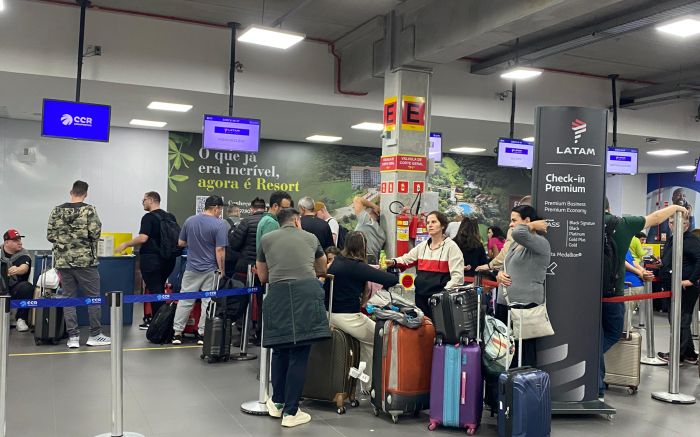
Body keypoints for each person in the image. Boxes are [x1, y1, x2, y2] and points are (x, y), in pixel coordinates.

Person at [600, 198, 688, 398]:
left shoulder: (584, 223)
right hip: (613, 292)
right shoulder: (622, 223)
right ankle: (594, 363)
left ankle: (595, 375)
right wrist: (675, 207)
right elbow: (655, 218)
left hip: (587, 292)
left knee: (593, 334)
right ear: (609, 207)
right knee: (613, 333)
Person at [257, 208, 331, 427]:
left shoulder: (267, 239)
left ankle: (278, 402)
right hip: (305, 294)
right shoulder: (310, 237)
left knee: (280, 349)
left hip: (277, 294)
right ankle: (291, 412)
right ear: (297, 221)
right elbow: (322, 267)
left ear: (279, 222)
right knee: (299, 351)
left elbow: (262, 275)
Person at [325, 231, 399, 387]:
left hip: (330, 314)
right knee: (384, 336)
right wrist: (391, 267)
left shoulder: (338, 261)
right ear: (363, 247)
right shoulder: (356, 266)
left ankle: (365, 382)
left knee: (368, 343)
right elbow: (391, 280)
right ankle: (384, 384)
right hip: (347, 317)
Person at [46, 180, 111, 348]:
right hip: (85, 262)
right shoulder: (89, 210)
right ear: (86, 193)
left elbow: (50, 236)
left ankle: (73, 337)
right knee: (93, 298)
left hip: (63, 261)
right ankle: (95, 334)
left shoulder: (57, 210)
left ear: (71, 191)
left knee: (68, 298)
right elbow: (95, 233)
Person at [495, 205, 550, 367]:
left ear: (526, 221)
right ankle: (507, 390)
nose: (510, 224)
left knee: (524, 356)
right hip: (505, 306)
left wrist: (532, 226)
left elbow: (519, 232)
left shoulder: (540, 244)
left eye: (514, 220)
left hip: (525, 308)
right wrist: (499, 275)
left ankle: (525, 390)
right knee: (506, 354)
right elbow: (506, 265)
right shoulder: (514, 245)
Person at [115, 191, 178, 328]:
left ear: (150, 200)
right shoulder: (170, 216)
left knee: (155, 291)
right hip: (169, 260)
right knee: (160, 289)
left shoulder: (148, 218)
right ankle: (163, 321)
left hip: (151, 260)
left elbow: (143, 238)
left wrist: (125, 244)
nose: (142, 203)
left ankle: (158, 324)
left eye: (143, 200)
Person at [171, 195, 228, 345]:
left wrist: (195, 243)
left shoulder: (190, 220)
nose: (220, 212)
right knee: (207, 301)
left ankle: (177, 333)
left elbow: (181, 242)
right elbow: (220, 250)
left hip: (191, 268)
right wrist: (222, 270)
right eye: (220, 209)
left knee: (185, 300)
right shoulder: (220, 225)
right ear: (216, 208)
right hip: (210, 269)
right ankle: (202, 334)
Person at [386, 211, 464, 319]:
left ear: (442, 226)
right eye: (428, 223)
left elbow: (458, 277)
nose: (430, 225)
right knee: (424, 328)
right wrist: (393, 261)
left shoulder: (452, 247)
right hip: (420, 296)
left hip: (439, 299)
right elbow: (407, 258)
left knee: (439, 329)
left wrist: (444, 294)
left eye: (433, 222)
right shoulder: (422, 246)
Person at [658, 214, 700, 365]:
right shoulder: (673, 239)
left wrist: (691, 280)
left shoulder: (691, 240)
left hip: (686, 289)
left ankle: (677, 355)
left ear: (686, 225)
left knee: (681, 321)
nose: (672, 225)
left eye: (676, 222)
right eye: (670, 222)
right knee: (678, 320)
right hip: (672, 287)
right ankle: (689, 354)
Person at [475, 195, 532, 274]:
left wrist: (489, 266)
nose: (511, 225)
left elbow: (506, 253)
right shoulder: (540, 236)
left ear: (526, 219)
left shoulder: (513, 231)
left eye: (514, 220)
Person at [0, 230, 34, 332]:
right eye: (15, 240)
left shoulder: (23, 253)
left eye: (19, 239)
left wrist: (17, 270)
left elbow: (25, 268)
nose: (20, 242)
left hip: (14, 288)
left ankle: (21, 319)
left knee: (27, 287)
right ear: (6, 242)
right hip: (1, 286)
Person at [229, 197, 266, 275]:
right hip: (264, 266)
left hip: (246, 265)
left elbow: (234, 244)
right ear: (265, 209)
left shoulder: (246, 221)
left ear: (251, 209)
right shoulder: (271, 222)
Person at [352, 196, 386, 263]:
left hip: (359, 261)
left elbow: (357, 199)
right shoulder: (382, 234)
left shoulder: (366, 221)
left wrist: (374, 206)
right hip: (373, 262)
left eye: (366, 208)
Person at [623, 249, 650, 329]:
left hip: (628, 285)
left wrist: (642, 272)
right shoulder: (625, 245)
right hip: (636, 284)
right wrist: (643, 272)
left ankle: (625, 336)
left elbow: (623, 262)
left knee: (625, 317)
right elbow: (633, 262)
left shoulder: (618, 243)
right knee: (628, 314)